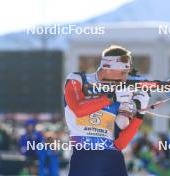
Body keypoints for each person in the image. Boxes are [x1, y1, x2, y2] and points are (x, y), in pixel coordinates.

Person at [64, 45, 150, 176]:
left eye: (127, 73)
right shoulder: (78, 79)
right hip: (84, 157)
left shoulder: (121, 91)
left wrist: (141, 112)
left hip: (113, 160)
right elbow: (78, 109)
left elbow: (120, 144)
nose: (125, 78)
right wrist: (112, 97)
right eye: (122, 72)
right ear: (107, 67)